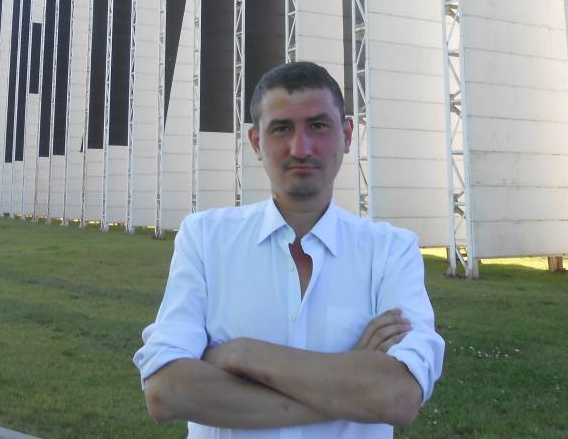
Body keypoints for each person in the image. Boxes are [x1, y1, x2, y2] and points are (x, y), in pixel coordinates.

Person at [133, 61, 444, 436]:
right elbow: (167, 390)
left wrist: (243, 354)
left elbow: (398, 396)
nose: (301, 147)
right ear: (256, 142)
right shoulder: (205, 239)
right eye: (281, 128)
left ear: (347, 134)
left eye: (318, 126)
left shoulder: (391, 250)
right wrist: (349, 385)